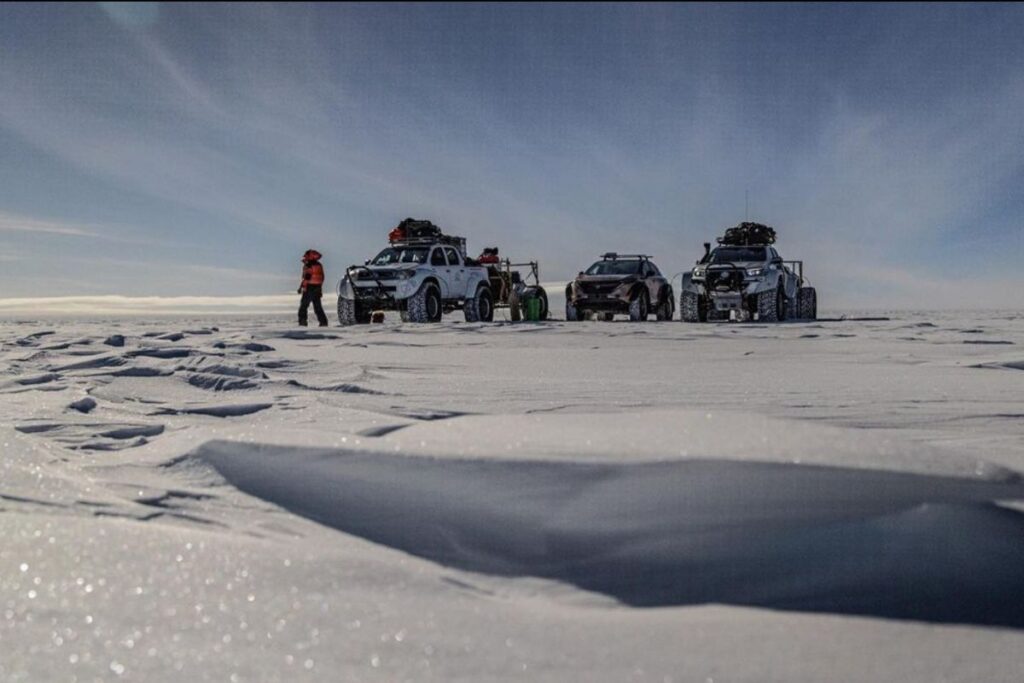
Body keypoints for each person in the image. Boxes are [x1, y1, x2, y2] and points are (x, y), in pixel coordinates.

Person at [297, 249, 329, 327]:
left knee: (303, 307)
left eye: (306, 255)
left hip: (309, 288)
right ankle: (323, 323)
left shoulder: (309, 265)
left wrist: (301, 287)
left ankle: (302, 323)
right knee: (318, 307)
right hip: (318, 288)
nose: (305, 257)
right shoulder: (319, 265)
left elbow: (307, 278)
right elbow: (322, 277)